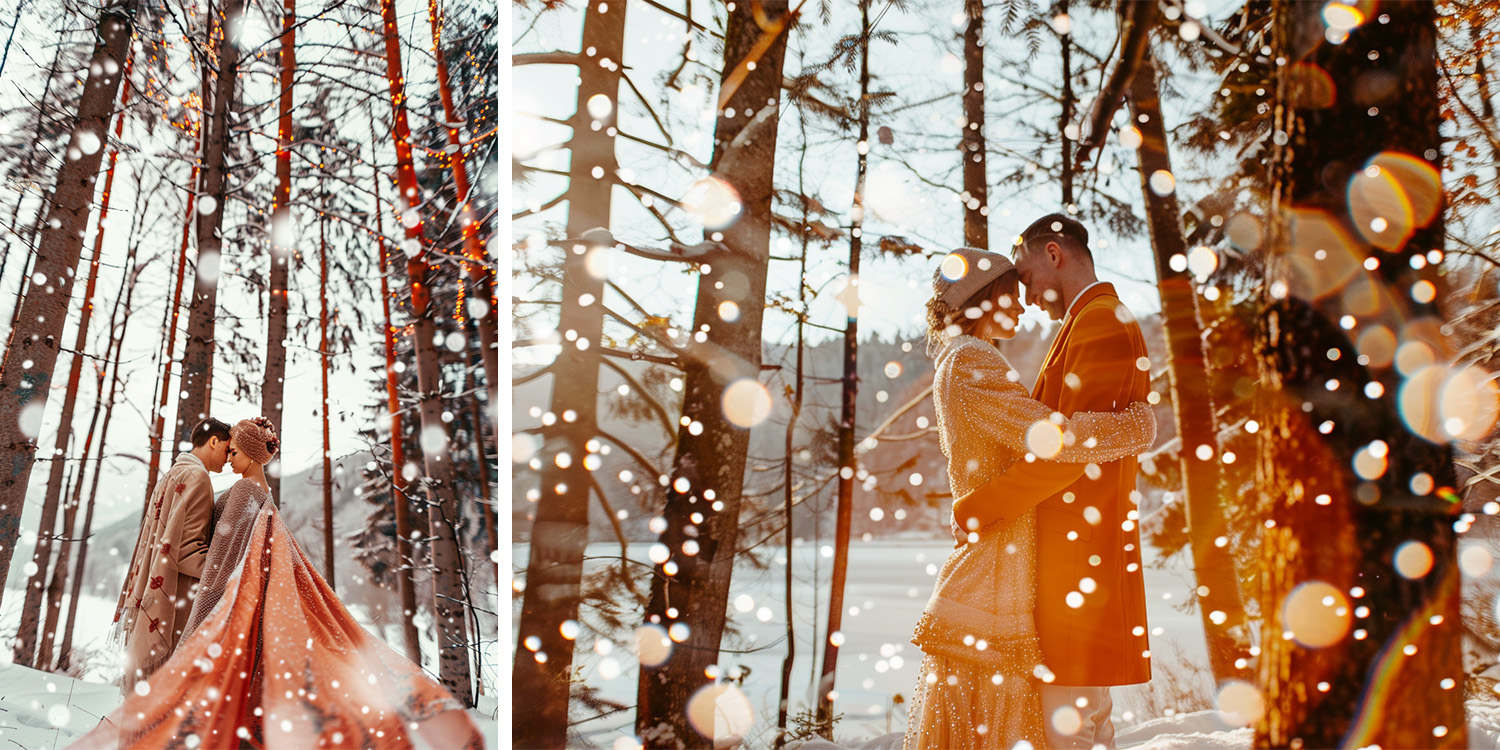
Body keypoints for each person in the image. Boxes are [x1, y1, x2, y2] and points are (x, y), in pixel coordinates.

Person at [72, 418, 483, 749]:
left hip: (229, 614)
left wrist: (194, 637)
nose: (228, 459)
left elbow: (221, 569)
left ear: (250, 454)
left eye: (234, 452)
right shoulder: (265, 497)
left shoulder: (242, 494)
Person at [902, 246, 1156, 750]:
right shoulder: (972, 360)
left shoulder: (966, 357)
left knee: (994, 720)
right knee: (999, 719)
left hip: (1002, 553)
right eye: (1009, 295)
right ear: (981, 298)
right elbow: (1050, 437)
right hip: (995, 561)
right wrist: (1136, 428)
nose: (1020, 307)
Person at [112, 416, 230, 690]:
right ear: (213, 441)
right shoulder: (198, 477)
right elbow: (186, 551)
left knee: (147, 692)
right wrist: (230, 572)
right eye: (227, 449)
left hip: (153, 595)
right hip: (176, 599)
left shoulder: (175, 473)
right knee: (166, 690)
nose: (227, 459)